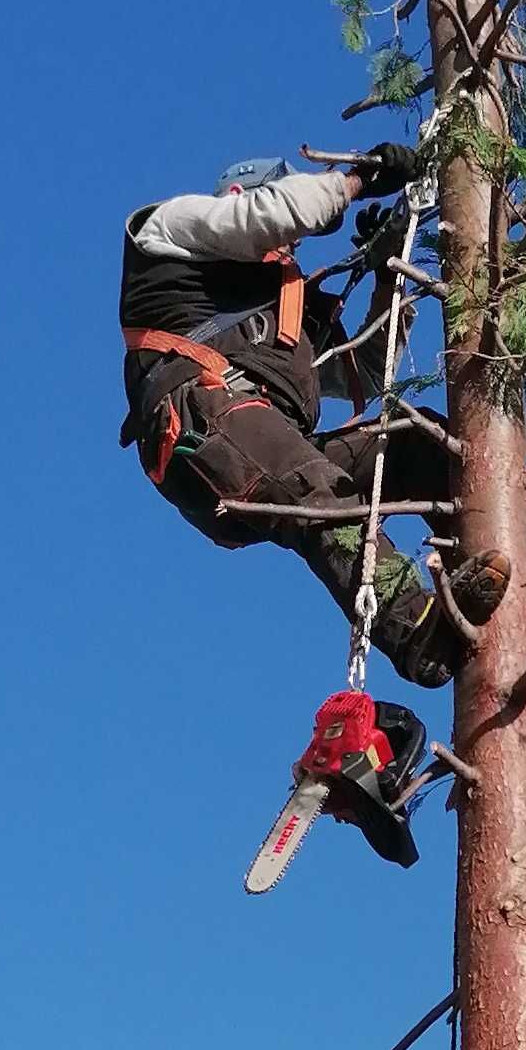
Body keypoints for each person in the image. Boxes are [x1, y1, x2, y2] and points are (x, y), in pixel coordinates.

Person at [120, 148, 497, 685]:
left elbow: (362, 375)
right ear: (239, 194)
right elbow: (267, 216)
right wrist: (355, 181)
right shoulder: (170, 229)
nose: (292, 243)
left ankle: (506, 524)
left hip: (258, 435)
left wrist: (386, 275)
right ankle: (415, 628)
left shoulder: (285, 311)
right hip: (204, 422)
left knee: (411, 440)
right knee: (315, 488)